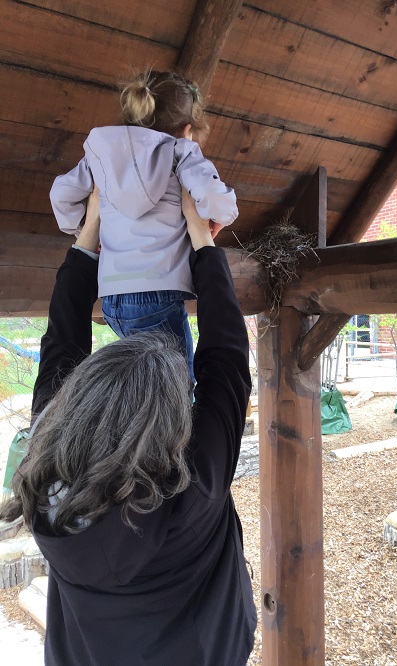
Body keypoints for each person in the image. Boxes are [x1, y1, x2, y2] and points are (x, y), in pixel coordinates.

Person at [0, 188, 256, 665]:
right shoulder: (192, 487)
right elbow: (227, 360)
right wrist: (197, 237)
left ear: (76, 399)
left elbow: (227, 364)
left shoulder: (47, 466)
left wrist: (90, 237)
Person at [49, 70, 238, 381]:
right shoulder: (181, 151)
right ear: (187, 129)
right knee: (178, 390)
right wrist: (217, 219)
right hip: (159, 299)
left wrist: (81, 228)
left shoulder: (100, 155)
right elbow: (216, 199)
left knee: (151, 386)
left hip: (111, 301)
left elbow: (61, 195)